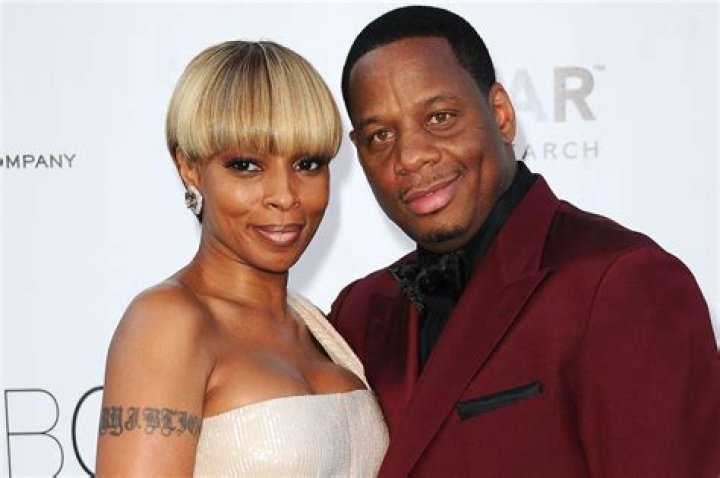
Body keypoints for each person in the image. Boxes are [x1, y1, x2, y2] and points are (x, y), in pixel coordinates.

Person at [329, 5, 720, 477]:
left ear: (501, 114)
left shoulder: (624, 283)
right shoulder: (357, 312)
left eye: (440, 117)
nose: (410, 156)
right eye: (380, 136)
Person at [96, 40, 388, 476]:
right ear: (189, 167)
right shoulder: (168, 322)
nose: (284, 196)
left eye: (307, 164)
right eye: (247, 166)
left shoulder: (319, 330)